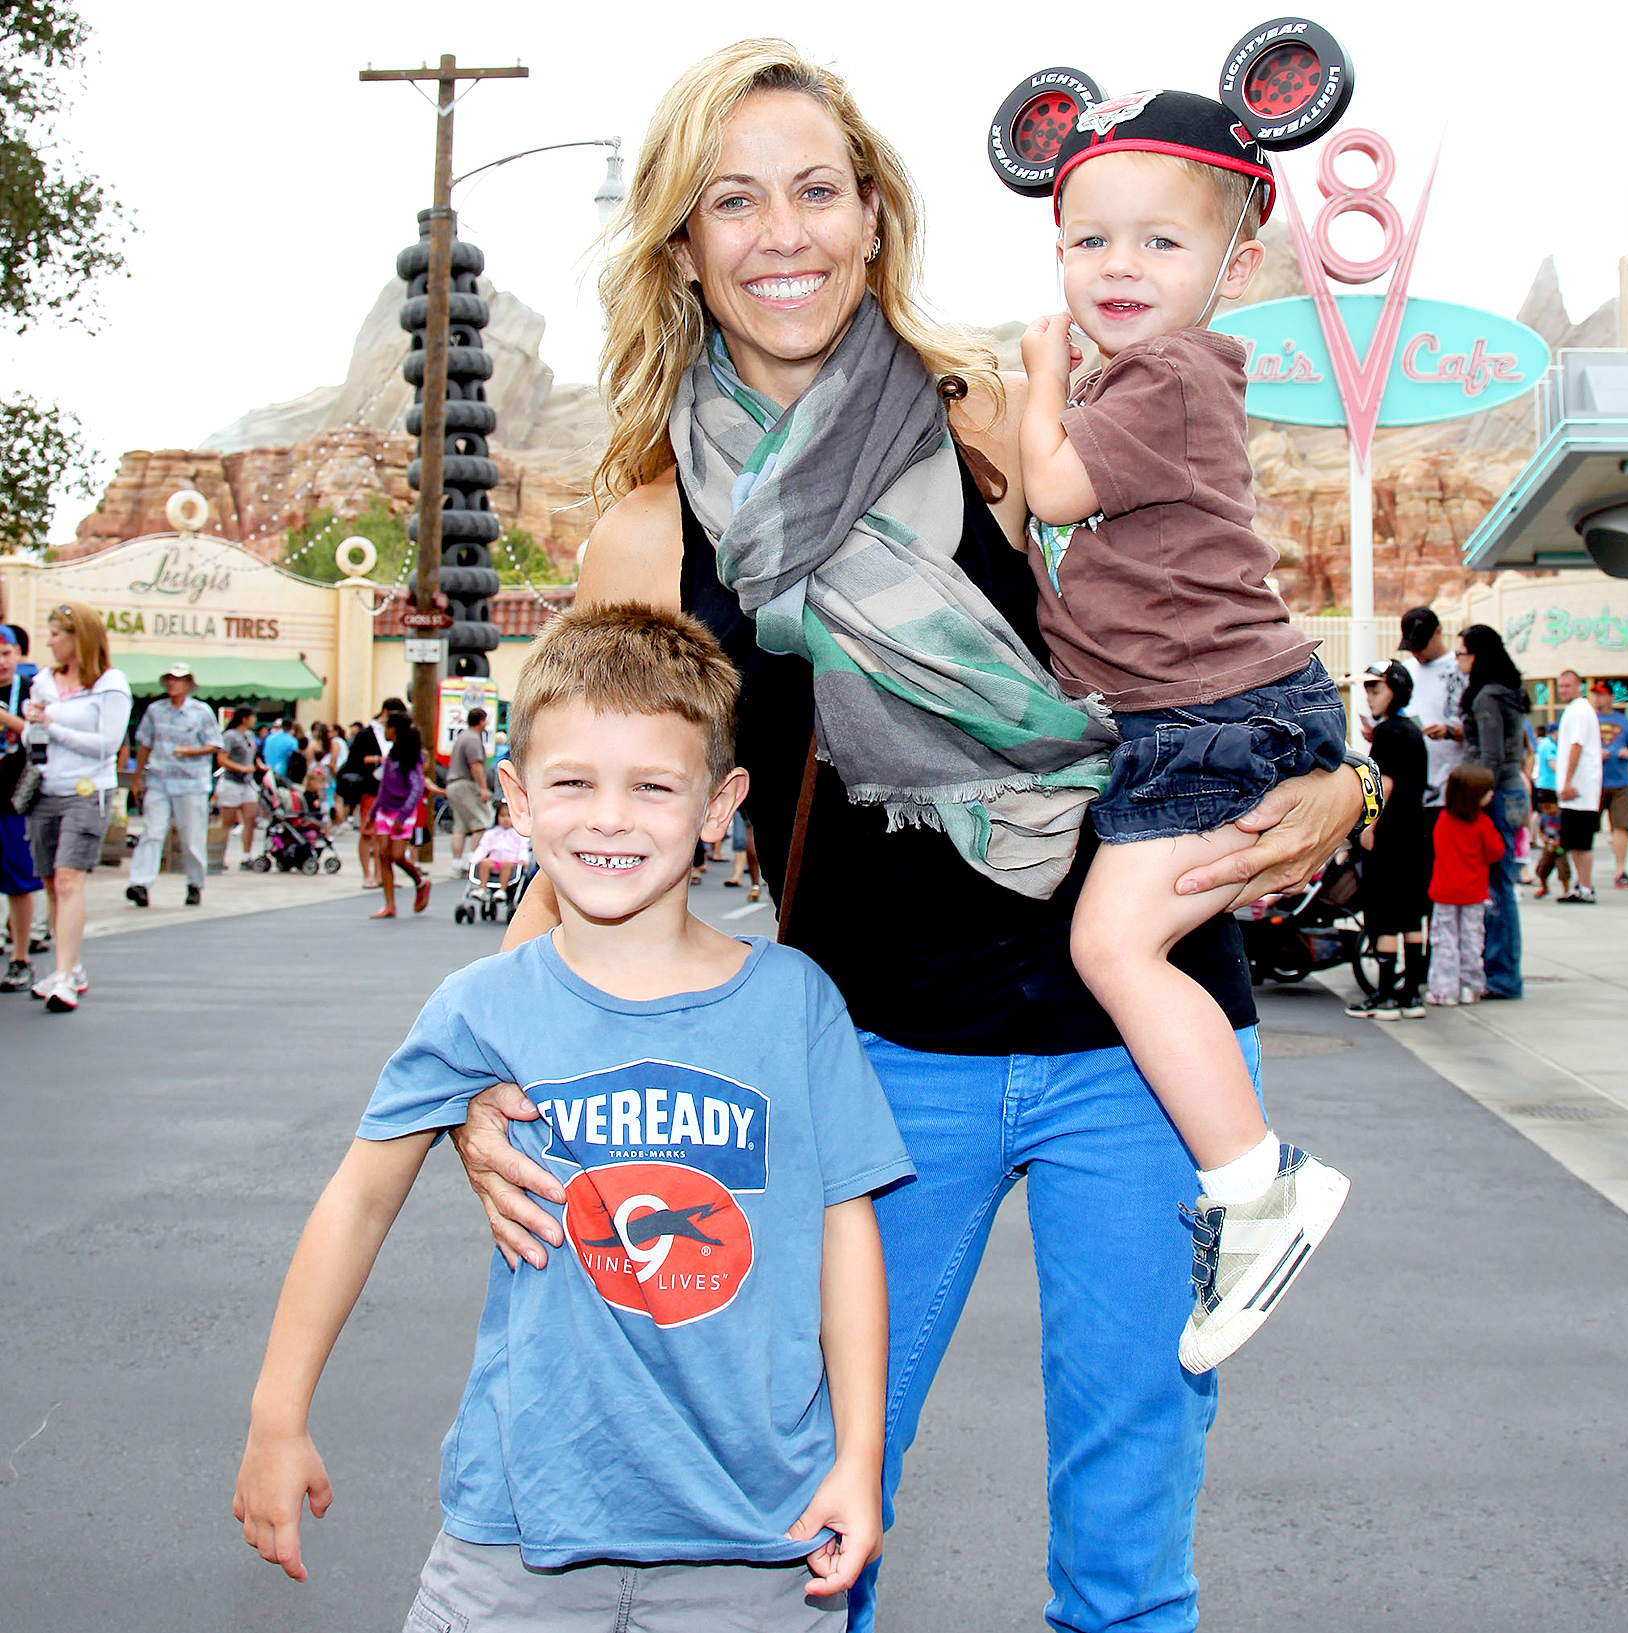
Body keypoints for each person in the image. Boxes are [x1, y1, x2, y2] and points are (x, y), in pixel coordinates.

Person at [442, 42, 1369, 1633]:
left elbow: (1204, 607)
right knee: (814, 1515)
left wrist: (1345, 780)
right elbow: (595, 846)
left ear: (873, 215)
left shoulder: (1000, 422)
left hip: (1142, 1043)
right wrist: (483, 1071)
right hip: (875, 1063)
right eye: (734, 201)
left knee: (1131, 1542)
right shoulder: (652, 532)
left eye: (817, 189)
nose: (783, 233)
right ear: (683, 244)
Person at [233, 604, 907, 1627]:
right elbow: (358, 1202)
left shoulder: (794, 1001)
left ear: (720, 805)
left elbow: (845, 1231)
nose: (610, 818)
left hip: (759, 1538)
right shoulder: (480, 1006)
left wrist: (860, 1457)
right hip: (517, 1537)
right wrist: (275, 1415)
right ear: (516, 797)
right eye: (574, 783)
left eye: (653, 786)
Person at [1014, 85, 1351, 1372]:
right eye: (1091, 240)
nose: (1120, 266)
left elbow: (1053, 488)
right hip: (1200, 713)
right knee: (1124, 940)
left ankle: (1258, 1184)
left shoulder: (1168, 373)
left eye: (1162, 241)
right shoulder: (1146, 379)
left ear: (1236, 267)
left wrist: (1040, 380)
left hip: (1213, 716)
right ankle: (1249, 1180)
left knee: (1114, 944)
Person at [22, 601, 130, 1012]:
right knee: (51, 882)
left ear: (78, 638)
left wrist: (53, 725)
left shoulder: (110, 683)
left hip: (87, 791)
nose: (49, 642)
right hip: (45, 788)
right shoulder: (43, 682)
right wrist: (34, 724)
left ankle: (64, 978)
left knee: (69, 879)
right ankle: (69, 966)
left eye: (56, 635)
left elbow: (106, 745)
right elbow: (32, 740)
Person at [1346, 662, 1429, 1020]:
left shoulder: (1388, 733)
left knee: (1383, 915)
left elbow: (1387, 783)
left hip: (1390, 836)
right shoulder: (1412, 730)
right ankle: (1411, 995)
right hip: (1415, 834)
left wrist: (1369, 827)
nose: (1369, 697)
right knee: (1410, 916)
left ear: (1396, 691)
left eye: (1376, 689)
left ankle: (1384, 996)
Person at [1456, 624, 1530, 999]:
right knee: (1503, 884)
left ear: (1478, 656)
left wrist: (1475, 800)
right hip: (1512, 791)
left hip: (1495, 795)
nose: (1458, 661)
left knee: (1496, 888)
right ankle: (1501, 972)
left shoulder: (1486, 697)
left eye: (1461, 654)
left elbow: (1490, 758)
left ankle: (1501, 976)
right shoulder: (1508, 691)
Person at [124, 661, 221, 910]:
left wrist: (191, 751)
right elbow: (145, 744)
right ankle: (140, 883)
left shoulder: (201, 712)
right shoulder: (155, 711)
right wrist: (137, 777)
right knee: (152, 832)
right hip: (160, 780)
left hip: (191, 784)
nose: (172, 684)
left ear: (188, 684)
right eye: (170, 679)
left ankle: (195, 883)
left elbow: (214, 744)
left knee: (192, 837)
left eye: (178, 679)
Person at [1427, 763, 1504, 1006]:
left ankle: (1444, 989)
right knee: (1472, 942)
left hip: (1444, 891)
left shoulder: (1443, 820)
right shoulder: (1482, 823)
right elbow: (1495, 852)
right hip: (1473, 893)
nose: (1491, 794)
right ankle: (1470, 987)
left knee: (1444, 941)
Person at [0, 622, 44, 992]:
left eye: (6, 654)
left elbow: (37, 737)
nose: (1, 662)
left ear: (18, 654)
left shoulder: (31, 690)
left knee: (18, 880)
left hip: (15, 798)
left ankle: (20, 958)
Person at [1397, 606, 1465, 812]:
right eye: (1412, 647)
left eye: (1421, 645)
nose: (1417, 652)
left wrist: (1448, 731)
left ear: (1438, 632)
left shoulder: (1460, 668)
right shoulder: (1407, 670)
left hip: (1452, 781)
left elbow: (1476, 728)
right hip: (1414, 781)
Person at [367, 708, 430, 919]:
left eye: (387, 727)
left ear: (394, 729)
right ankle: (389, 904)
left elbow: (416, 788)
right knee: (383, 856)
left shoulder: (411, 756)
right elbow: (383, 787)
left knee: (397, 855)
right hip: (384, 811)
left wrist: (402, 816)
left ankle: (420, 882)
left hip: (402, 812)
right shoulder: (391, 755)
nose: (385, 731)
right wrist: (372, 813)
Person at [1554, 668, 1602, 903]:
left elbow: (1577, 746)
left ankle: (1586, 887)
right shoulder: (1572, 710)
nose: (1563, 690)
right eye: (1561, 686)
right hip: (1573, 791)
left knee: (1582, 842)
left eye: (1568, 686)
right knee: (1572, 842)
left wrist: (1567, 782)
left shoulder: (1581, 710)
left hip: (1580, 789)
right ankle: (1580, 884)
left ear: (1579, 686)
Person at [342, 700, 401, 889]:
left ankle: (381, 874)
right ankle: (368, 874)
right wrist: (379, 759)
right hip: (370, 786)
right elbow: (356, 759)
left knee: (385, 833)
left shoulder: (394, 733)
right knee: (369, 832)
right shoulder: (367, 733)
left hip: (389, 788)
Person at [1592, 679, 1628, 889]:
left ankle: (1620, 870)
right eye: (1595, 694)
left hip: (1619, 782)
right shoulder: (1589, 719)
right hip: (1594, 782)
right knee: (1587, 828)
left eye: (1602, 694)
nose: (1597, 698)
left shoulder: (1623, 721)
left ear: (1611, 698)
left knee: (1620, 826)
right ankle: (1583, 873)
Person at [444, 705, 494, 872]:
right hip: (466, 783)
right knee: (480, 822)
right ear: (480, 721)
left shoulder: (462, 737)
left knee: (460, 825)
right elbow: (475, 765)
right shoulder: (473, 739)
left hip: (453, 783)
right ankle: (475, 862)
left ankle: (456, 864)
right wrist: (483, 788)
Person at [215, 707, 261, 868]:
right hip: (231, 782)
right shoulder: (230, 736)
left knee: (250, 818)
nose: (254, 720)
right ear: (244, 718)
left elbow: (252, 756)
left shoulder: (249, 736)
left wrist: (258, 765)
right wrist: (241, 768)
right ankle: (219, 855)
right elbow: (222, 759)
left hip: (247, 783)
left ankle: (246, 856)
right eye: (252, 717)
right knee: (227, 822)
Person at [467, 800, 528, 895]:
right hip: (494, 861)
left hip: (512, 863)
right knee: (484, 863)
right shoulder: (492, 833)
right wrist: (474, 860)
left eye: (509, 816)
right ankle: (482, 889)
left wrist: (523, 860)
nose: (506, 819)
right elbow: (483, 847)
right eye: (502, 816)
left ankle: (502, 890)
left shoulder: (519, 835)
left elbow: (522, 849)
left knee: (506, 864)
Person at [1531, 795, 1572, 900]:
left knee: (1563, 871)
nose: (1547, 810)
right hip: (1548, 847)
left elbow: (1568, 831)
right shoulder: (1544, 817)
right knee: (1542, 869)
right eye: (1544, 808)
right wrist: (1543, 838)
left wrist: (1560, 841)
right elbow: (1540, 830)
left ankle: (1566, 891)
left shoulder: (1562, 816)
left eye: (1549, 807)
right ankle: (1544, 888)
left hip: (1560, 849)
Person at [260, 717, 300, 784]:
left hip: (268, 774)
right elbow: (296, 758)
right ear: (292, 728)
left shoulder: (269, 738)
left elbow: (263, 754)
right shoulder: (292, 741)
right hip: (282, 776)